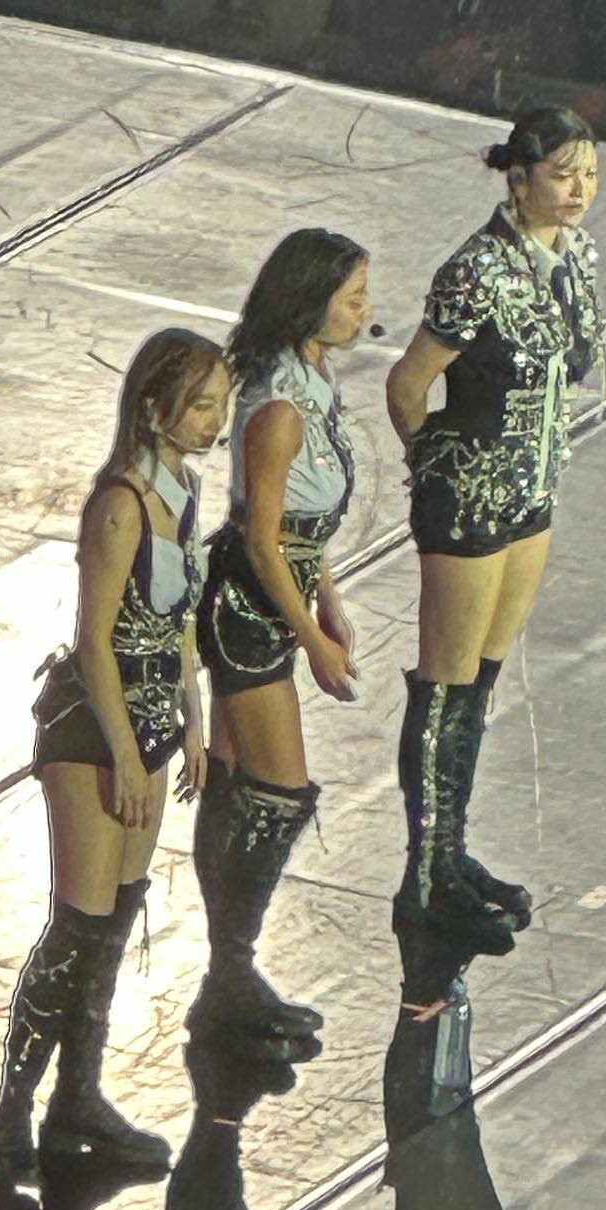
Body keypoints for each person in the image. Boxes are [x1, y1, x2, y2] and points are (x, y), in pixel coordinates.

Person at [0, 329, 230, 1180]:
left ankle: (76, 1100)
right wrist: (124, 754)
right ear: (154, 408)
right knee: (78, 925)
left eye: (220, 405)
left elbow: (181, 623)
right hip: (94, 730)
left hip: (149, 726)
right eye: (200, 405)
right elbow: (94, 643)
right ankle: (11, 1117)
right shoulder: (120, 507)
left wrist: (192, 723)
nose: (214, 421)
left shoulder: (183, 493)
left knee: (116, 919)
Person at [386, 107, 606, 955]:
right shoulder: (476, 270)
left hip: (533, 489)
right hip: (472, 496)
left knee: (479, 680)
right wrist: (435, 465)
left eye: (589, 174)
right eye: (562, 174)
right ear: (519, 178)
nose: (579, 190)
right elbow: (408, 385)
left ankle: (451, 853)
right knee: (444, 683)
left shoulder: (575, 258)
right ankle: (425, 877)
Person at [189, 229, 369, 1045]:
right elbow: (263, 540)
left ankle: (227, 975)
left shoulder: (312, 381)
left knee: (236, 783)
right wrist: (314, 639)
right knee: (278, 793)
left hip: (277, 598)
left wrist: (328, 600)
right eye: (352, 298)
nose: (365, 312)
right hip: (249, 609)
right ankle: (230, 972)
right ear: (308, 304)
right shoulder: (281, 410)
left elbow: (304, 529)